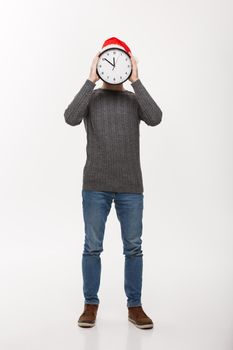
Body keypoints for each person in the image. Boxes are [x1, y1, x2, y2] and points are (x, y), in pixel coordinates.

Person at [63, 37, 162, 329]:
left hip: (131, 186)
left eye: (121, 61)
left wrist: (137, 81)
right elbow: (70, 118)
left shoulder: (134, 100)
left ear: (129, 64)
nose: (114, 66)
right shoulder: (91, 99)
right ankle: (90, 305)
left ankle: (135, 307)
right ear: (101, 63)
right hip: (95, 185)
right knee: (92, 247)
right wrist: (90, 78)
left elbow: (155, 118)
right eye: (108, 61)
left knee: (133, 248)